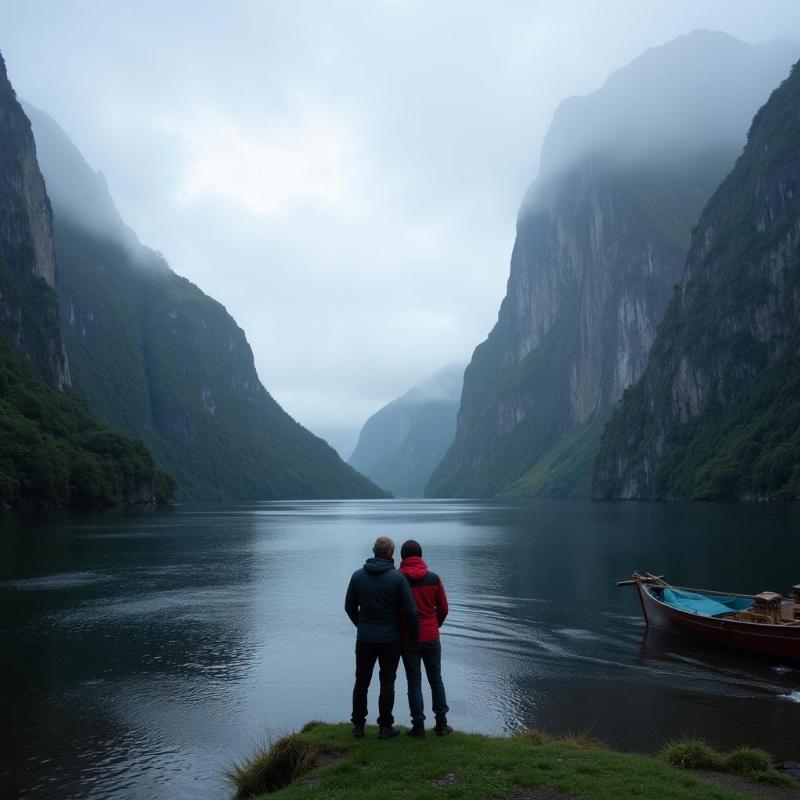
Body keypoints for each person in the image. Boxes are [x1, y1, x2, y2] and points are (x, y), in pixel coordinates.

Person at [345, 536, 419, 739]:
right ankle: (385, 727)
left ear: (373, 551)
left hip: (365, 639)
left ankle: (358, 726)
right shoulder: (397, 578)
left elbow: (349, 607)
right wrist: (413, 636)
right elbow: (411, 611)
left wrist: (361, 624)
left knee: (361, 682)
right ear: (390, 553)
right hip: (390, 640)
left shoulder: (358, 576)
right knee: (387, 682)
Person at [399, 539, 452, 738]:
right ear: (420, 555)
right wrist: (434, 624)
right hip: (431, 636)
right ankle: (441, 724)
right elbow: (444, 609)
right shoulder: (433, 578)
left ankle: (418, 727)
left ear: (403, 557)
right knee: (436, 679)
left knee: (414, 682)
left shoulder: (397, 579)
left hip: (408, 638)